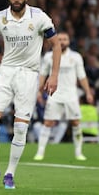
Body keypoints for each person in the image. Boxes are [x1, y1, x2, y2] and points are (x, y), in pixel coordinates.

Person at [0, 0, 61, 189]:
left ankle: (10, 173)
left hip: (29, 76)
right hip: (6, 73)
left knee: (20, 127)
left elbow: (56, 44)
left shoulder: (39, 17)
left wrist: (53, 75)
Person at [33, 31, 94, 161]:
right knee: (48, 122)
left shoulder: (76, 57)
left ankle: (78, 153)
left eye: (64, 39)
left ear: (69, 41)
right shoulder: (49, 56)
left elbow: (82, 76)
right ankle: (40, 152)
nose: (62, 42)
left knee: (76, 123)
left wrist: (88, 92)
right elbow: (43, 75)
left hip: (71, 95)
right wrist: (39, 91)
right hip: (54, 94)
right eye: (59, 39)